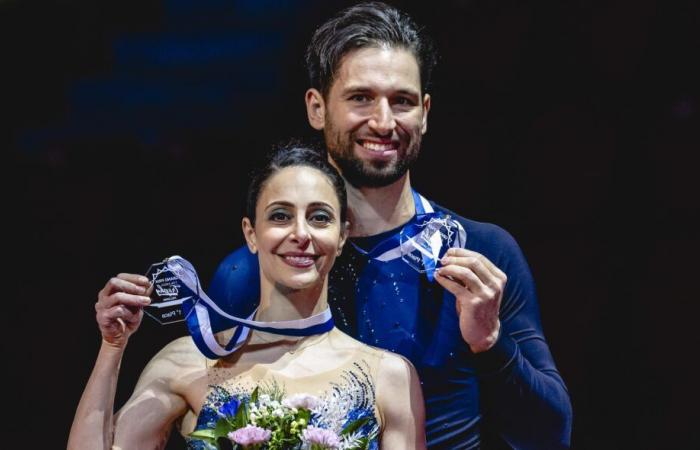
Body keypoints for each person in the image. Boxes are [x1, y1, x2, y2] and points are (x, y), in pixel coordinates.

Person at [209, 3, 573, 449]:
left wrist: (492, 343)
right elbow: (217, 425)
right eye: (361, 98)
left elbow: (550, 436)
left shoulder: (482, 253)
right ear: (317, 108)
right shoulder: (254, 271)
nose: (383, 122)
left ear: (424, 111)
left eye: (401, 101)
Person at [68, 146, 427, 449]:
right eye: (280, 216)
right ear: (251, 234)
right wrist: (111, 349)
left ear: (342, 235)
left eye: (319, 217)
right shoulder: (189, 363)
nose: (301, 234)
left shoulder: (388, 377)